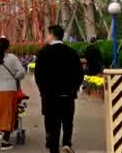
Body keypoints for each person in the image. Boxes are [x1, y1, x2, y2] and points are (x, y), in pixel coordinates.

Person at [35, 25, 84, 153]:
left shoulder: (43, 52)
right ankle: (67, 143)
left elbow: (38, 75)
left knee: (52, 123)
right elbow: (79, 74)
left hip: (50, 96)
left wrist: (43, 91)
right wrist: (73, 90)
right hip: (67, 95)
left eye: (47, 34)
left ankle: (53, 147)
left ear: (52, 35)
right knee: (67, 121)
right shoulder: (71, 52)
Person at [0, 37, 26, 151]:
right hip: (10, 91)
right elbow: (22, 72)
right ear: (8, 47)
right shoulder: (12, 58)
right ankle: (3, 139)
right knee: (8, 114)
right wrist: (15, 78)